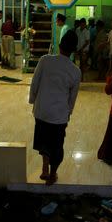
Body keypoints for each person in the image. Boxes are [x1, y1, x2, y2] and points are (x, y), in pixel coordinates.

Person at [28, 30, 81, 185]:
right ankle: (53, 174)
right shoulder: (75, 71)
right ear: (73, 51)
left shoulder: (45, 60)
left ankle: (44, 167)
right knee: (56, 145)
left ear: (59, 46)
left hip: (42, 111)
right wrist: (68, 112)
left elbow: (35, 82)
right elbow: (72, 97)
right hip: (59, 115)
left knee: (43, 140)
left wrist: (33, 101)